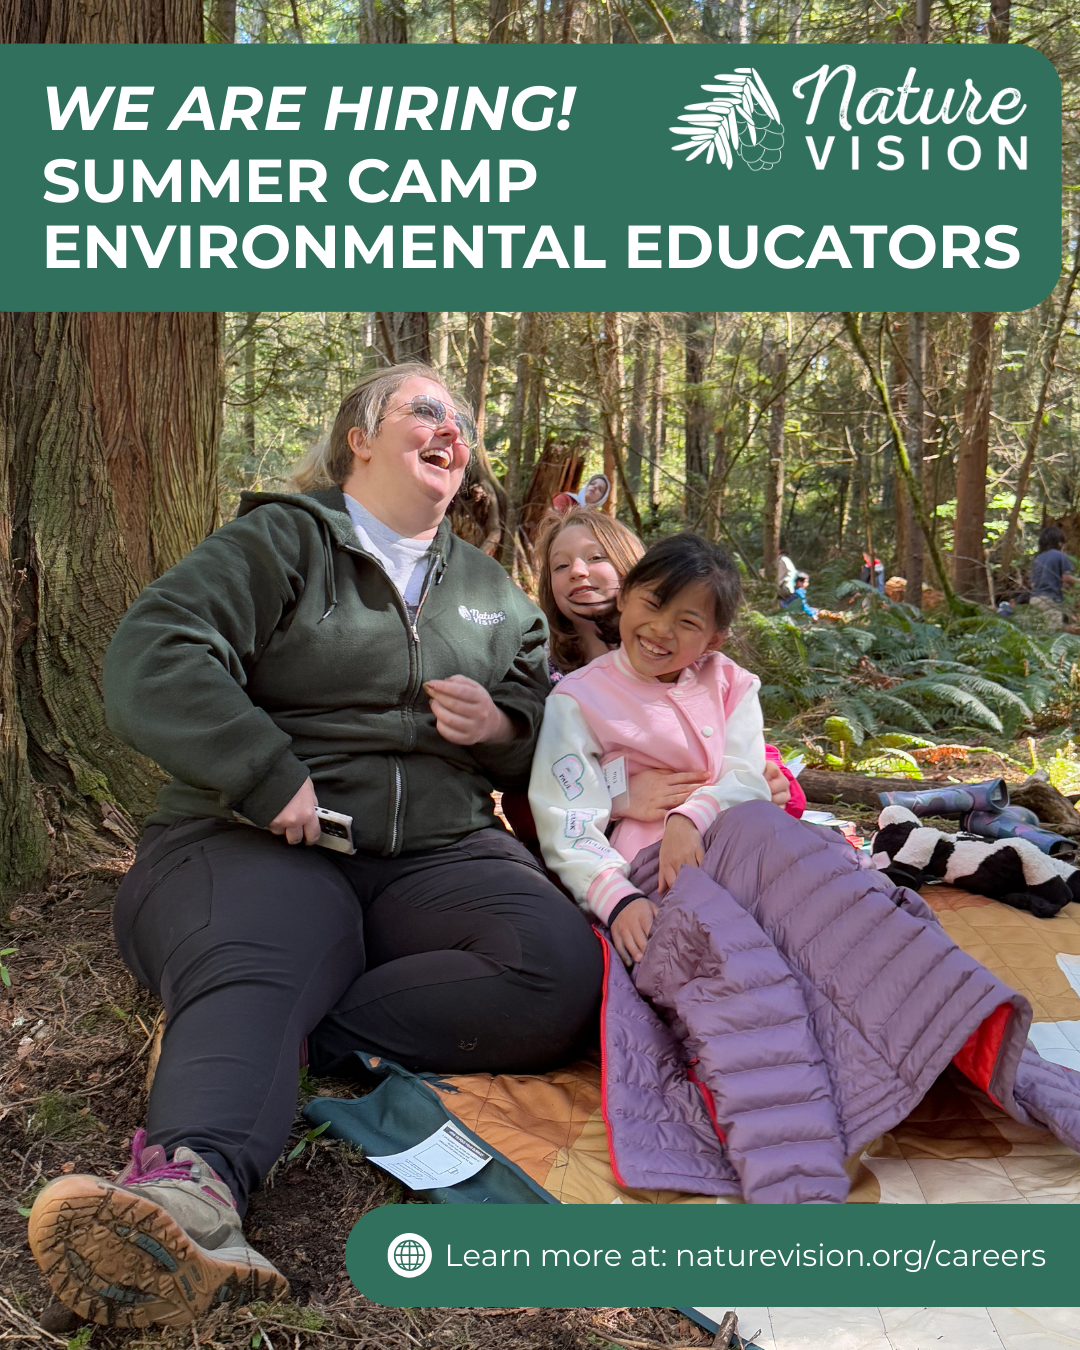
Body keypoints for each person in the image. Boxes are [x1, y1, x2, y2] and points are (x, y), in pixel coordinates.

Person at [27, 364, 602, 1329]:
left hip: (437, 850)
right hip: (254, 836)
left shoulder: (496, 595)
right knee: (270, 944)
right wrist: (262, 768)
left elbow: (548, 733)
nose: (450, 429)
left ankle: (274, 1023)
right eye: (426, 410)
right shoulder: (281, 540)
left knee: (552, 970)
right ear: (359, 440)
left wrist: (497, 731)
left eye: (461, 421)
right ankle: (189, 1199)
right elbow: (156, 651)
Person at [529, 533, 773, 966]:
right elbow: (565, 814)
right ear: (625, 598)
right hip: (646, 868)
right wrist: (618, 899)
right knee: (719, 962)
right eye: (654, 604)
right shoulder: (577, 697)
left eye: (688, 622)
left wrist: (689, 817)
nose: (661, 630)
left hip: (745, 849)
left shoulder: (730, 683)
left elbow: (746, 775)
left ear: (714, 640)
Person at [535, 506, 802, 821]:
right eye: (560, 565)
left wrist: (774, 779)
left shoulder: (682, 658)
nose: (578, 570)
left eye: (596, 558)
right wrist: (617, 799)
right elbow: (538, 792)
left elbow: (738, 746)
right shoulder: (545, 676)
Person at [1029, 525, 1077, 627]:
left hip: (1034, 599)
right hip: (1050, 600)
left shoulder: (1038, 559)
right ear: (1060, 543)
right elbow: (1065, 577)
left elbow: (1032, 584)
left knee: (1039, 631)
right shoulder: (1059, 555)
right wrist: (1077, 581)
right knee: (1054, 632)